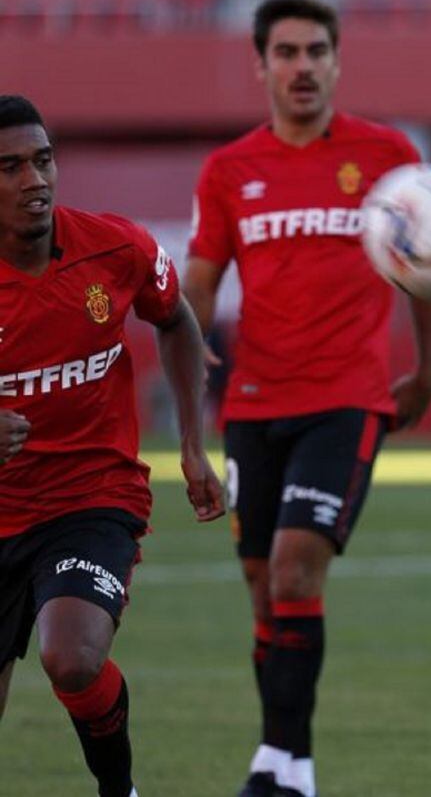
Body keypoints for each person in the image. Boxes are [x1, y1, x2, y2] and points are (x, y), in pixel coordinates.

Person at [181, 0, 431, 797]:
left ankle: (286, 770)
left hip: (347, 399)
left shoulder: (387, 154)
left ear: (337, 61)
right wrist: (188, 397)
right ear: (261, 65)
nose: (303, 66)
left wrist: (428, 371)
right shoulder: (229, 170)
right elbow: (199, 286)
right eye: (287, 52)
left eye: (317, 51)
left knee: (298, 570)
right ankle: (282, 756)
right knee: (265, 585)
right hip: (252, 404)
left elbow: (426, 262)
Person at [0, 95, 224, 797]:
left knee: (71, 656)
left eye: (42, 160)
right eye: (9, 168)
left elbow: (179, 321)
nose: (34, 179)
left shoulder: (116, 247)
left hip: (91, 498)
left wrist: (191, 442)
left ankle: (118, 789)